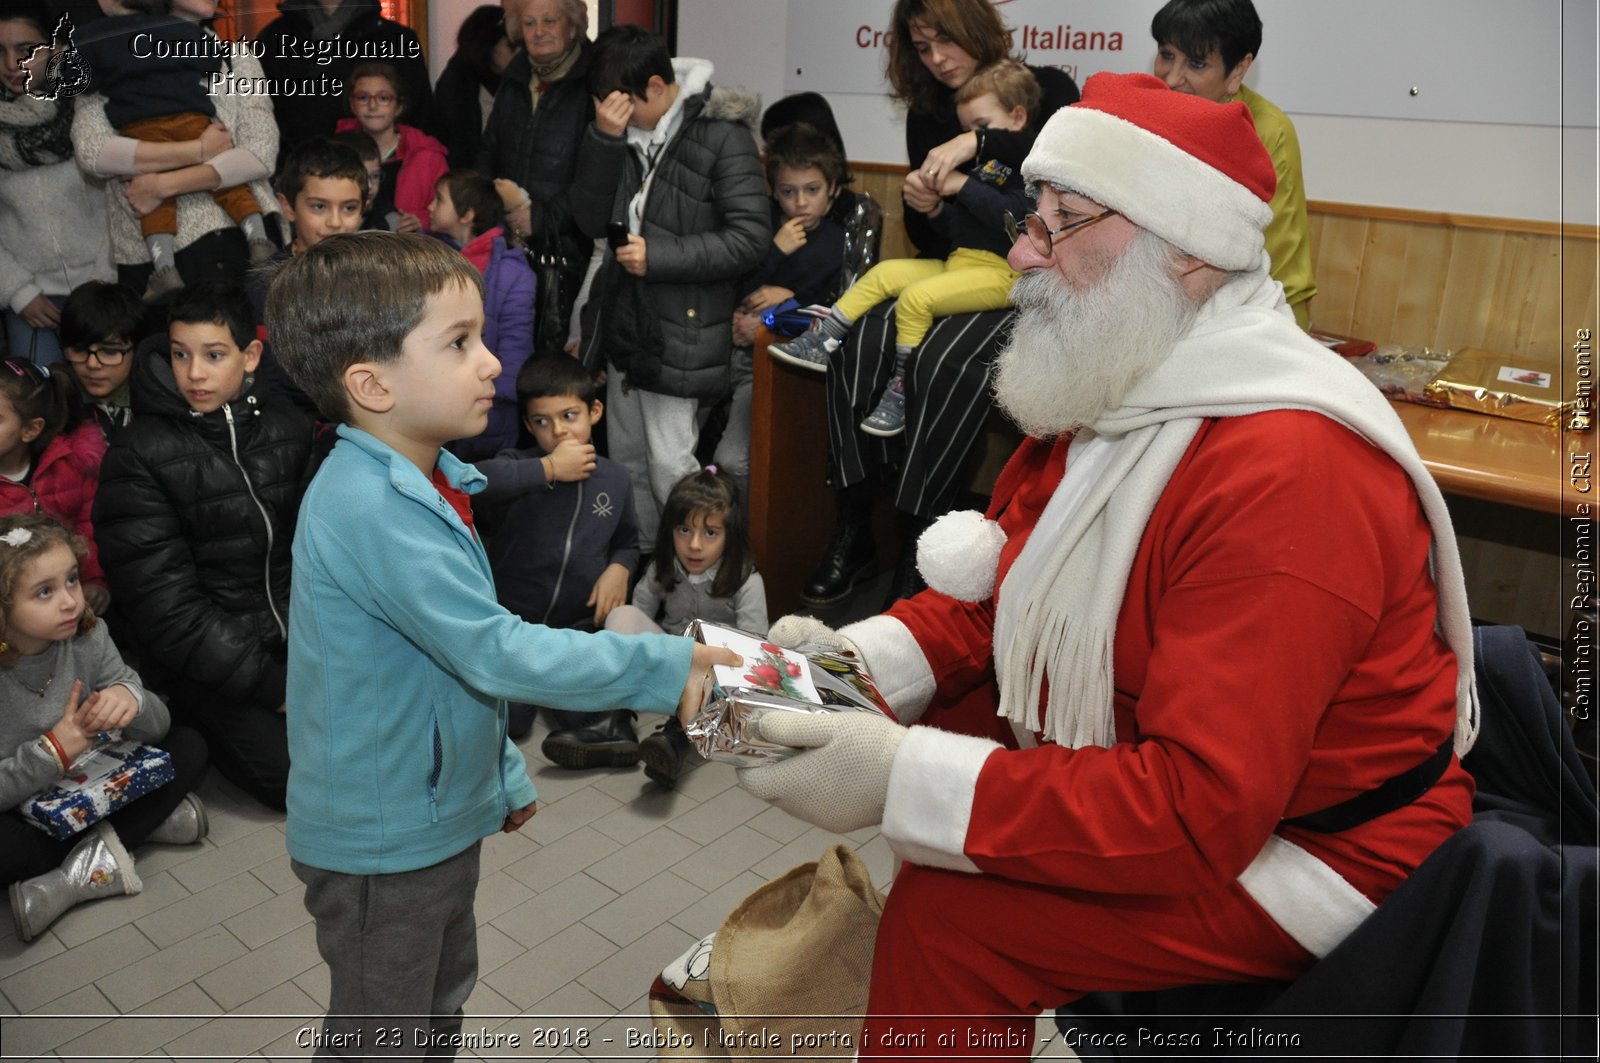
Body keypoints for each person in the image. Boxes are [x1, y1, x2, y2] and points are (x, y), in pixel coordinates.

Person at [736, 72, 1477, 1058]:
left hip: (1324, 846)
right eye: (1029, 218)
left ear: (1189, 257)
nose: (1019, 250)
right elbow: (999, 593)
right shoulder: (1126, 373)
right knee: (949, 732)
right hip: (1191, 763)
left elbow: (1201, 807)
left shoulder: (1292, 472)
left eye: (1058, 224)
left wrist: (903, 776)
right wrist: (834, 672)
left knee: (953, 918)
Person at [262, 230, 738, 1054]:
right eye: (459, 342)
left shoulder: (429, 480)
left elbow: (445, 669)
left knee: (439, 1000)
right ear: (371, 384)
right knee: (384, 1031)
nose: (492, 364)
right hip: (384, 841)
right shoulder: (373, 508)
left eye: (481, 336)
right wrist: (666, 662)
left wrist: (498, 774)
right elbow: (496, 650)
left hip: (433, 812)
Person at [807, 0, 1079, 610]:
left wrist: (975, 144)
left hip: (1029, 283)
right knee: (860, 339)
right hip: (960, 267)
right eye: (923, 48)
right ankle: (855, 519)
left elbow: (1049, 156)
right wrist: (921, 206)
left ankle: (919, 538)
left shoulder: (1044, 86)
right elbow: (934, 238)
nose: (936, 59)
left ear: (974, 31)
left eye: (944, 42)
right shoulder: (929, 113)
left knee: (943, 363)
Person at [92, 282, 313, 810]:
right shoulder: (138, 455)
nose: (194, 373)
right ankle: (187, 717)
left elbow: (322, 555)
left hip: (299, 639)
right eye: (179, 354)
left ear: (250, 355)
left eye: (214, 355)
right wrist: (268, 684)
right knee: (295, 781)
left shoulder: (290, 430)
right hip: (209, 663)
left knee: (368, 737)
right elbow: (165, 606)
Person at [571, 24, 769, 551]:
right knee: (627, 462)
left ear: (656, 87)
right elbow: (588, 219)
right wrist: (603, 140)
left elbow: (751, 239)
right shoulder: (619, 132)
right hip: (626, 324)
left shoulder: (723, 135)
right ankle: (646, 571)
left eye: (620, 106)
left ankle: (700, 582)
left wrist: (658, 257)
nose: (612, 116)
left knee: (670, 469)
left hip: (680, 330)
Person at [769, 59, 1037, 439]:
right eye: (965, 129)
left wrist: (962, 188)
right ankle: (823, 339)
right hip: (961, 262)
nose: (970, 138)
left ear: (1017, 118)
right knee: (883, 273)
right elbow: (961, 231)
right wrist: (936, 209)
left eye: (980, 127)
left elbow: (1016, 218)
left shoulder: (1032, 170)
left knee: (915, 298)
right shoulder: (981, 168)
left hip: (1004, 273)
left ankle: (900, 390)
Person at [1, 513, 209, 943]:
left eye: (72, 580)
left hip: (95, 781)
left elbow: (158, 727)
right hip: (25, 803)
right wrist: (51, 753)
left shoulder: (89, 635)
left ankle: (69, 880)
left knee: (189, 743)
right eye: (44, 592)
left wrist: (130, 700)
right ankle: (144, 829)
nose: (70, 601)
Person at [471, 355, 640, 758]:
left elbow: (628, 541)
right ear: (528, 425)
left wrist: (620, 569)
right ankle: (534, 694)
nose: (558, 430)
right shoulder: (520, 466)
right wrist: (547, 468)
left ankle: (604, 730)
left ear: (594, 411)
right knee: (510, 723)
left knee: (591, 704)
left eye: (569, 415)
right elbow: (473, 482)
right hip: (512, 627)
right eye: (542, 422)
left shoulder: (615, 479)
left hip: (574, 630)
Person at [71, 0, 281, 296]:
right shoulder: (108, 50)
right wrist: (199, 150)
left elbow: (260, 154)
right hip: (152, 264)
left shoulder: (235, 57)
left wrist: (161, 185)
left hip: (243, 248)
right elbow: (93, 152)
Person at [1151, 0, 1316, 328]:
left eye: (1196, 64)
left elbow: (1278, 262)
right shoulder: (1143, 112)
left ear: (1238, 70)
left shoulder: (1267, 131)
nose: (1171, 78)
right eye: (1167, 54)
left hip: (1242, 319)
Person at [607, 466, 767, 789]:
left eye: (710, 533)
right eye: (684, 530)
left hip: (716, 676)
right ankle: (614, 721)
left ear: (729, 535)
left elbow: (754, 653)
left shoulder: (746, 581)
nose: (694, 545)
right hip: (672, 664)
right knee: (620, 617)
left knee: (735, 694)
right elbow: (635, 621)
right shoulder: (662, 568)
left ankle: (676, 741)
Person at [721, 122, 850, 506]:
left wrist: (779, 309)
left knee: (733, 458)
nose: (801, 203)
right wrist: (774, 251)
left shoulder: (835, 244)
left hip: (782, 364)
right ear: (774, 192)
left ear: (833, 191)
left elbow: (829, 310)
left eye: (813, 190)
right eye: (788, 192)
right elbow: (737, 286)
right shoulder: (762, 231)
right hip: (729, 347)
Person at [0, 0, 115, 366]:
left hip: (103, 289)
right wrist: (19, 293)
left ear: (55, 49)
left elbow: (122, 197)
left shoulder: (90, 104)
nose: (11, 64)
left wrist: (103, 280)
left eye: (25, 50)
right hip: (31, 302)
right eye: (0, 51)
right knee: (41, 412)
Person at [477, 0, 594, 352]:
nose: (539, 31)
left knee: (553, 361)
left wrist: (541, 218)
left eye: (549, 21)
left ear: (572, 26)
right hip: (508, 241)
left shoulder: (592, 83)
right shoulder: (514, 79)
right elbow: (489, 150)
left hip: (569, 250)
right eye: (528, 23)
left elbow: (599, 177)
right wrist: (485, 210)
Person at [249, 138, 369, 421]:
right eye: (319, 207)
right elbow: (270, 376)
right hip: (292, 427)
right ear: (288, 207)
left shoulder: (378, 277)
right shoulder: (267, 284)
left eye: (349, 208)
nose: (335, 222)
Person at [429, 169, 535, 460]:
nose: (429, 207)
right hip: (434, 407)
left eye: (439, 200)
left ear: (467, 215)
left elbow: (515, 350)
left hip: (491, 410)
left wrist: (485, 394)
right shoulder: (425, 260)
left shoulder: (513, 272)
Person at [0, 358, 110, 612]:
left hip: (67, 600)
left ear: (30, 430)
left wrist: (94, 581)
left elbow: (89, 525)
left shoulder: (68, 465)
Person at [257, 0, 433, 154]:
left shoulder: (396, 40)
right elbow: (259, 123)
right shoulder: (272, 39)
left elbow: (419, 121)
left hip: (379, 177)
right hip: (298, 179)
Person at [333, 62, 449, 234]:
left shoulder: (428, 156)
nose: (373, 106)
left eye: (384, 98)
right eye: (363, 98)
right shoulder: (334, 151)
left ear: (399, 107)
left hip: (410, 252)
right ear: (352, 104)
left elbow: (453, 212)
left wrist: (422, 219)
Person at [429, 5, 514, 171]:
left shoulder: (516, 81)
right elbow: (458, 148)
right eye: (511, 47)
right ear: (489, 47)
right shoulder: (457, 85)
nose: (518, 53)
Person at [58, 281, 143, 436]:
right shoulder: (53, 406)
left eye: (110, 352)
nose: (92, 364)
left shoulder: (158, 403)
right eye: (79, 350)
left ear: (136, 350)